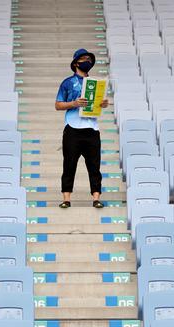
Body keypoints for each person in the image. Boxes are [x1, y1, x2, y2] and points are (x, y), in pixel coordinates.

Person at [54, 48, 109, 208]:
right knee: (69, 165)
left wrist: (103, 104)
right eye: (84, 59)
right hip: (73, 128)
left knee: (94, 166)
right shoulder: (67, 82)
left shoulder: (95, 83)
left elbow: (99, 103)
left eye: (89, 59)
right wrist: (74, 103)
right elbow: (58, 105)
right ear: (76, 63)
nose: (87, 61)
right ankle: (66, 199)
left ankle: (96, 198)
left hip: (92, 128)